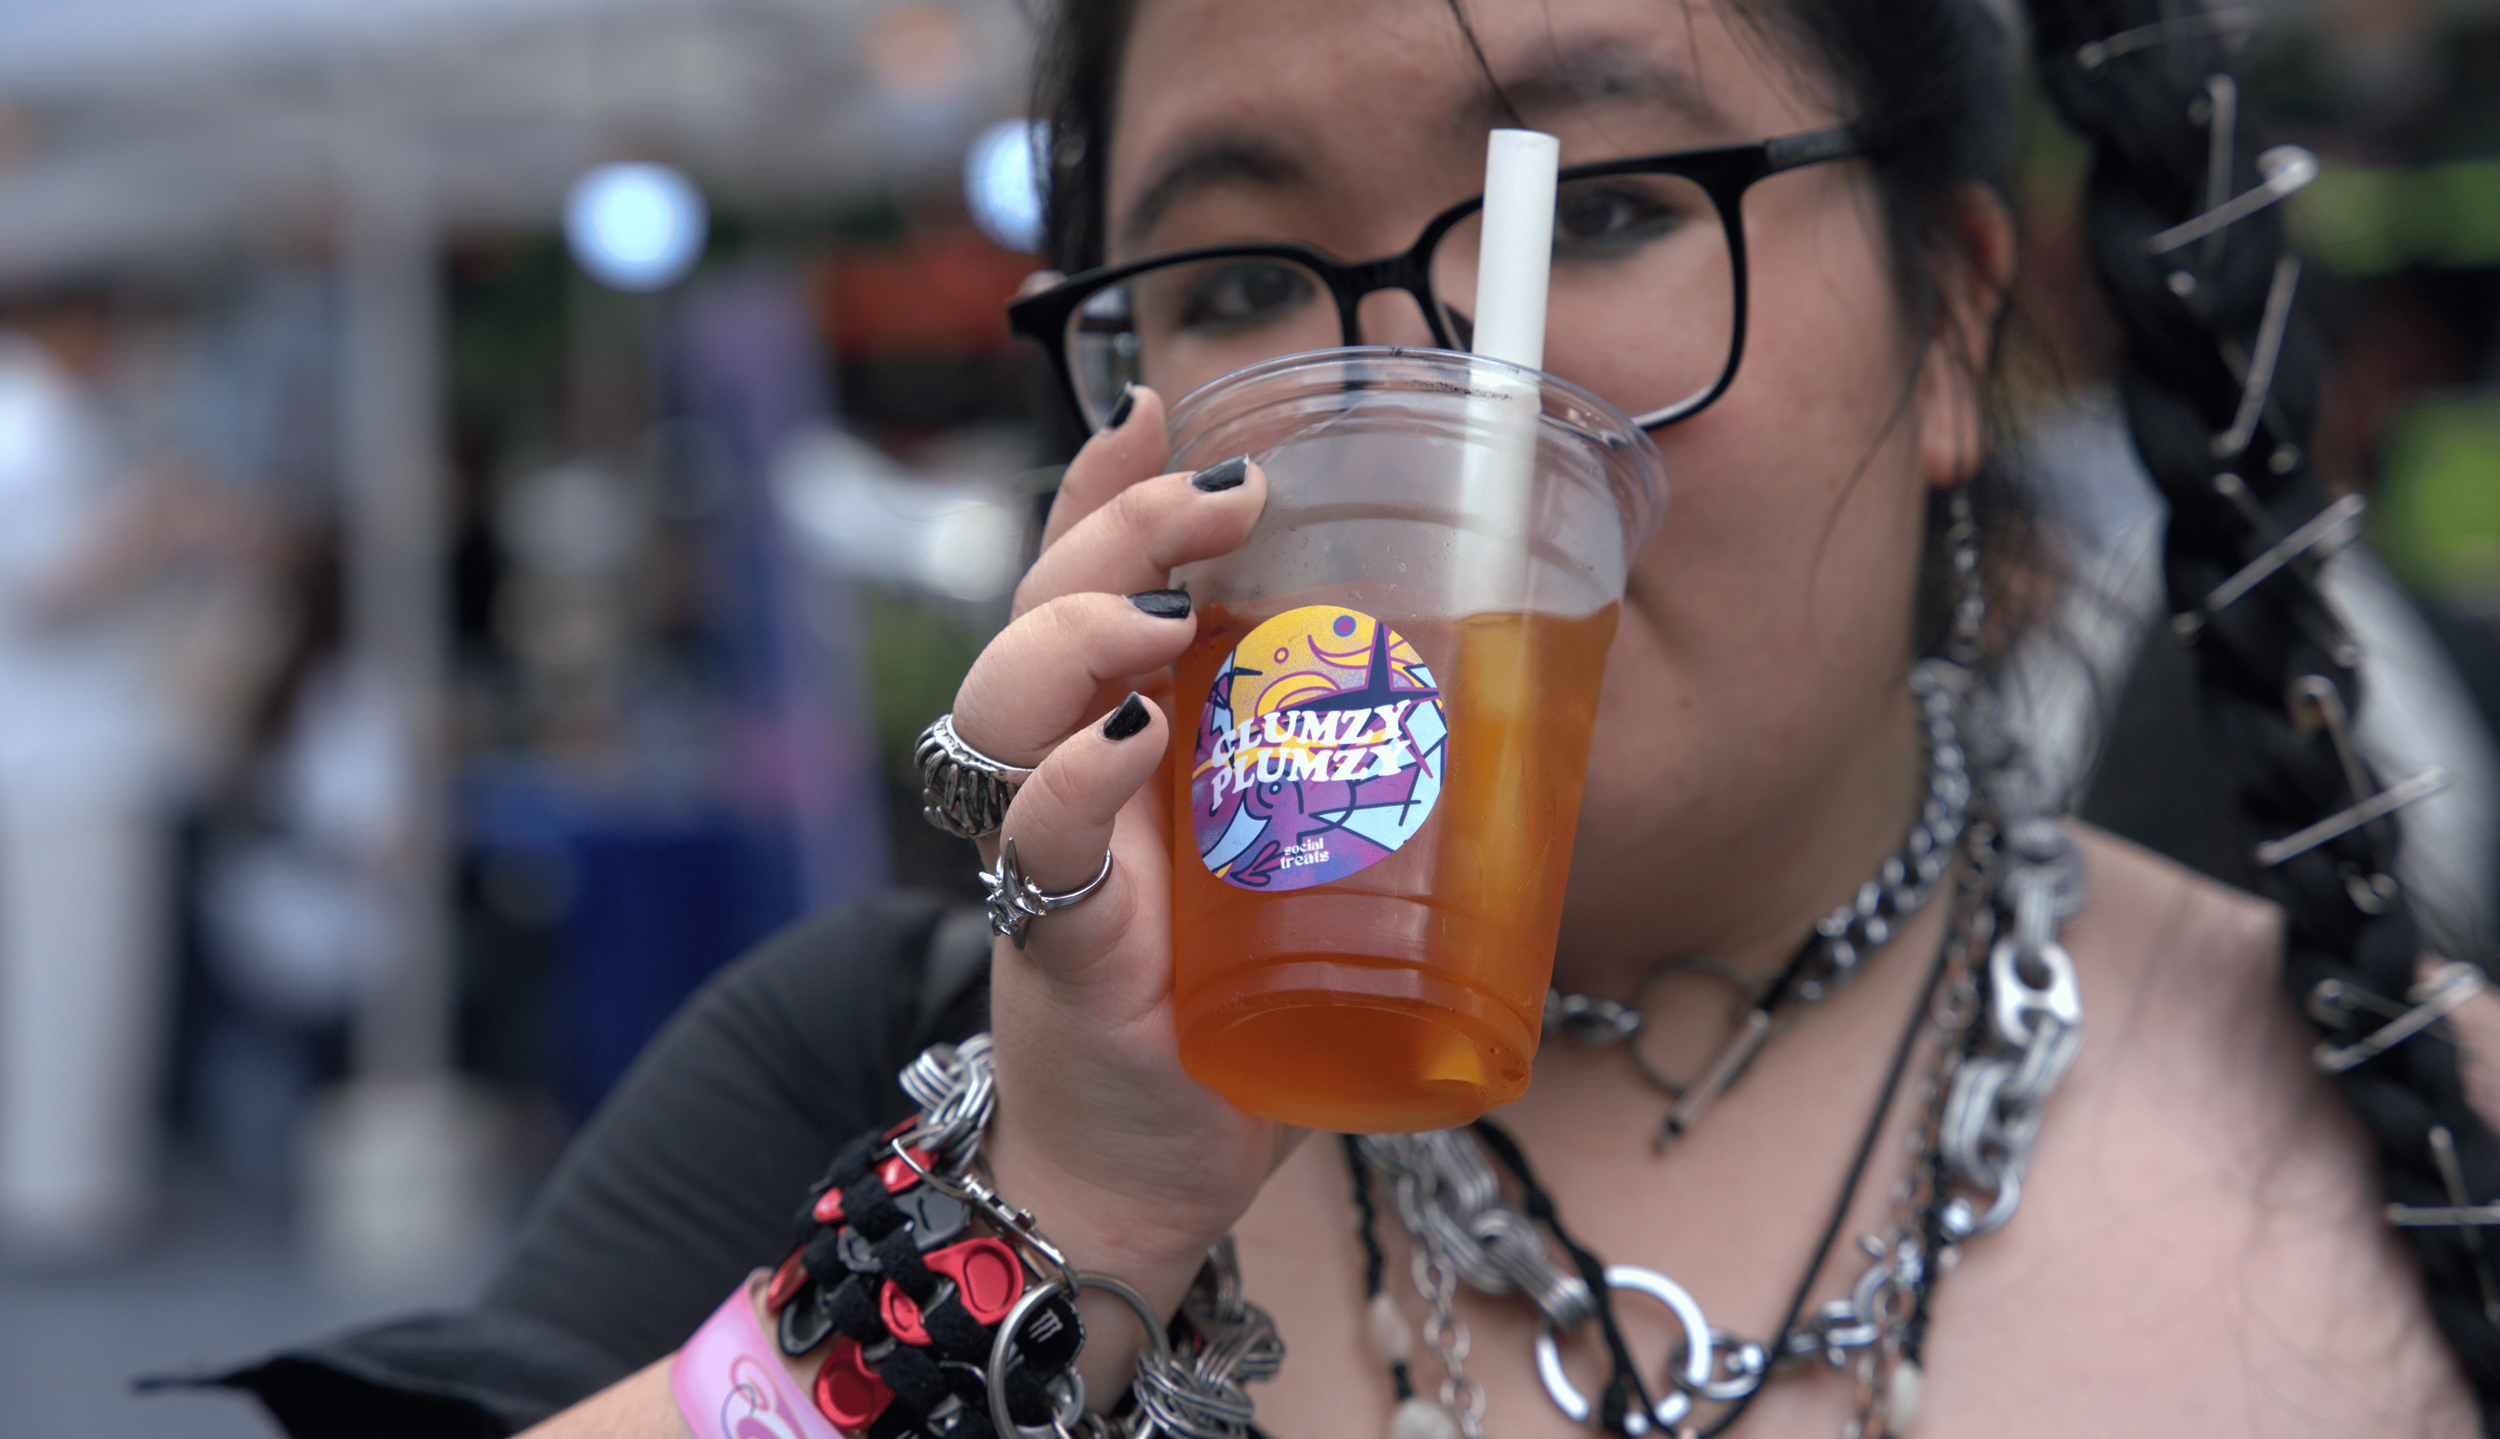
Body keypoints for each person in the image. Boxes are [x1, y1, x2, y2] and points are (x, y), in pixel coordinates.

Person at [206, 0, 2500, 1434]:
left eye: (1593, 208)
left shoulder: (2420, 1152)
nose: (1415, 389)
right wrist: (1051, 1213)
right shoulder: (874, 1096)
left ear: (1941, 329)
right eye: (1227, 281)